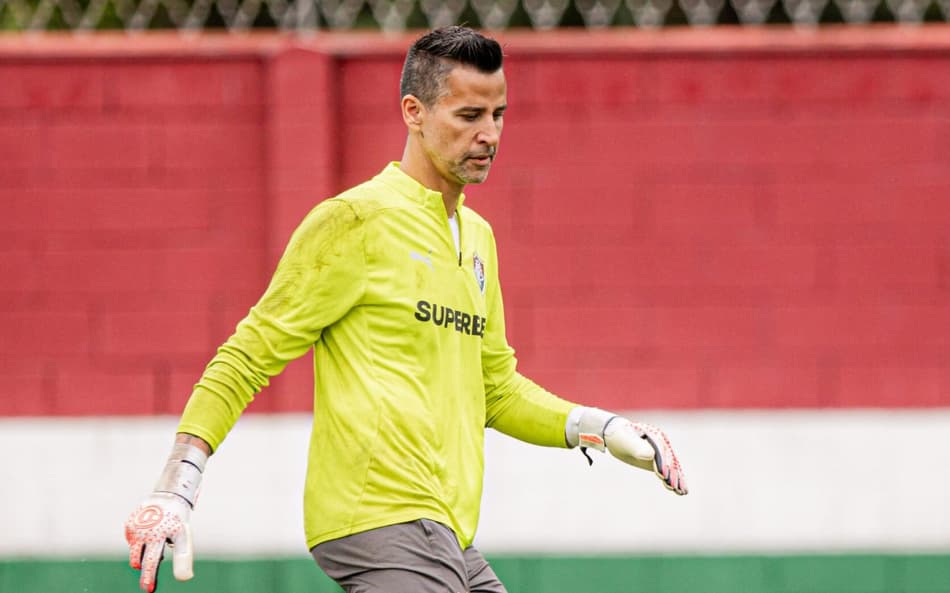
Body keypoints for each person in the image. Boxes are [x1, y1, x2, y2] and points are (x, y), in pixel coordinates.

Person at [124, 25, 688, 593]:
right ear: (413, 112)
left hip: (444, 531)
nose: (489, 134)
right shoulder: (354, 220)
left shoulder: (478, 238)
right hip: (379, 516)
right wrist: (177, 484)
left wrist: (599, 428)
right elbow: (245, 359)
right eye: (468, 116)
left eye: (498, 115)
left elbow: (496, 389)